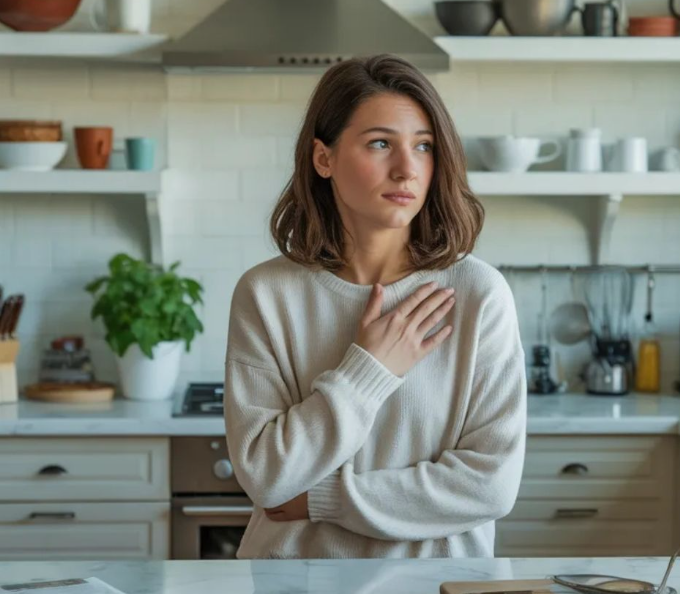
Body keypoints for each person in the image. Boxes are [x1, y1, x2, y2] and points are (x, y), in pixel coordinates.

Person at [224, 53, 526, 559]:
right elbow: (266, 479)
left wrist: (323, 498)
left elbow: (489, 486)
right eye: (381, 143)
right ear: (324, 159)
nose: (408, 169)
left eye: (424, 146)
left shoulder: (477, 294)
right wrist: (370, 370)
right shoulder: (266, 294)